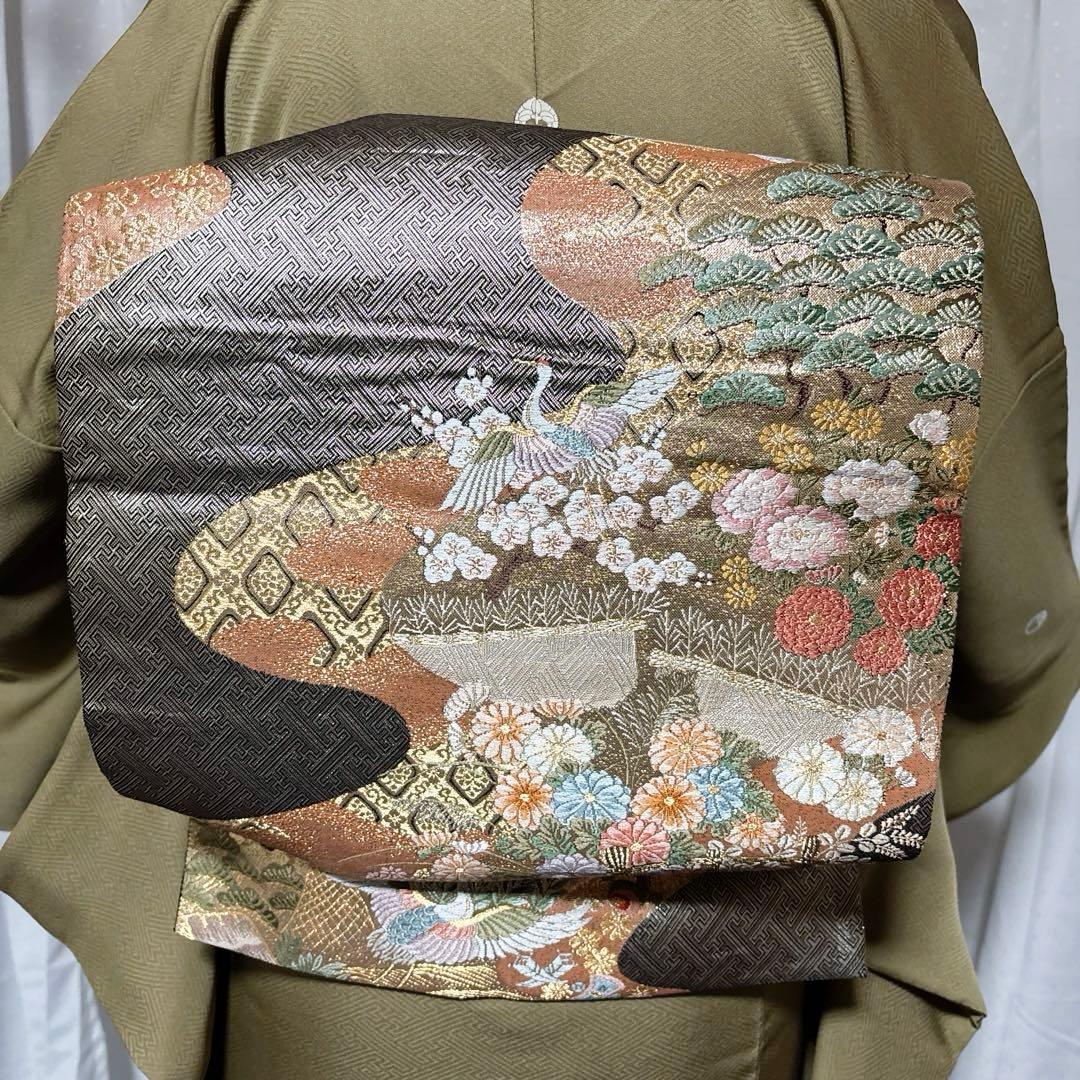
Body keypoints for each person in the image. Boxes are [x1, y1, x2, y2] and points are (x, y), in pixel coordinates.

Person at [0, 2, 1076, 1077]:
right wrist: (962, 700)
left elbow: (29, 399)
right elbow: (987, 462)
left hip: (307, 915)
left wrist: (101, 667)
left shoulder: (237, 17)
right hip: (720, 933)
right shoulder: (853, 24)